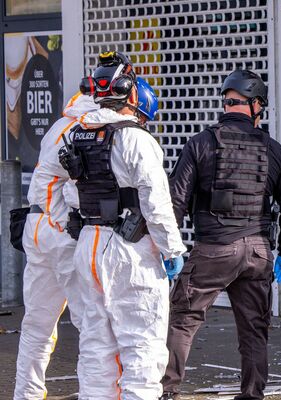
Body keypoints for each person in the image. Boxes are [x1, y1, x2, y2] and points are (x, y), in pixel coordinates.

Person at [161, 69, 281, 400]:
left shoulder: (201, 143)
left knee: (183, 320)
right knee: (254, 329)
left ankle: (166, 391)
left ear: (227, 102)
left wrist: (169, 249)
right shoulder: (274, 149)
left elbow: (175, 201)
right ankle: (252, 395)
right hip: (257, 251)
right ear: (255, 106)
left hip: (213, 249)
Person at [64, 51, 186, 399]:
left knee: (95, 347)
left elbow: (71, 196)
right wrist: (172, 250)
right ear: (131, 96)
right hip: (130, 249)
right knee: (142, 348)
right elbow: (156, 204)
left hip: (89, 241)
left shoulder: (78, 136)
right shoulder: (137, 139)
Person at [13, 92, 98, 400]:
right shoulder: (86, 129)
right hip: (60, 232)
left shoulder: (61, 124)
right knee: (90, 322)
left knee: (37, 323)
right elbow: (67, 187)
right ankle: (94, 391)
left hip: (36, 229)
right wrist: (74, 227)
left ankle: (27, 393)